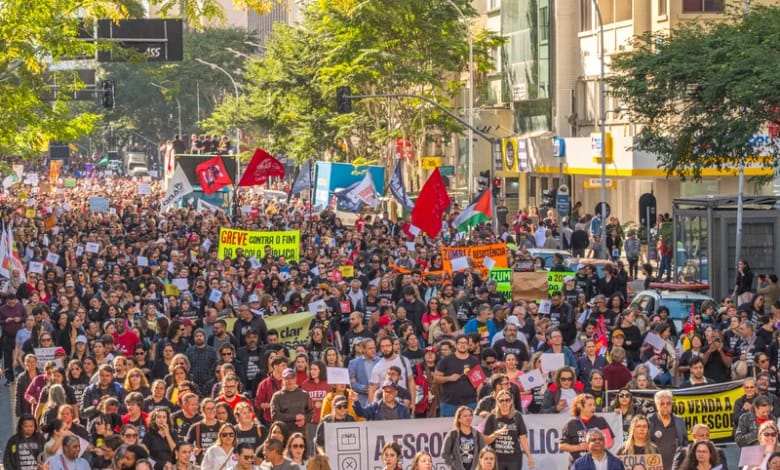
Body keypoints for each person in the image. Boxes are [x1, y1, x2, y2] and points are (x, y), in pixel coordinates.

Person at [482, 389, 534, 470]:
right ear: (497, 402)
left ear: (511, 402)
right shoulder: (492, 417)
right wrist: (496, 434)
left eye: (507, 400)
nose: (504, 403)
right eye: (501, 400)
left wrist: (529, 456)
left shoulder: (517, 416)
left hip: (514, 458)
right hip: (497, 458)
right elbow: (486, 440)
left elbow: (523, 438)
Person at [434, 334, 480, 416]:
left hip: (470, 403)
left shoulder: (473, 361)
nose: (463, 345)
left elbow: (479, 383)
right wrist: (449, 378)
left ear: (468, 346)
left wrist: (478, 397)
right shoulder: (446, 360)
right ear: (455, 345)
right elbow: (436, 378)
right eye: (460, 343)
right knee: (446, 425)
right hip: (449, 403)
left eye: (465, 343)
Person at [560, 393, 614, 464]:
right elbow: (562, 446)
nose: (593, 407)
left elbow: (610, 442)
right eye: (590, 405)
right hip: (578, 464)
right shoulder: (570, 424)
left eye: (594, 405)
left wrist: (598, 447)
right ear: (580, 406)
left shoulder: (601, 421)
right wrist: (579, 447)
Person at [648, 389, 689, 469]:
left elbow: (685, 445)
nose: (665, 406)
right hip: (654, 466)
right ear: (656, 405)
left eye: (668, 403)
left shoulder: (679, 421)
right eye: (662, 403)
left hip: (676, 467)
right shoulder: (649, 421)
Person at [270, 368, 314, 436]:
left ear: (296, 379)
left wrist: (305, 420)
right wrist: (294, 417)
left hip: (301, 434)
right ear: (282, 379)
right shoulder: (277, 396)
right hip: (283, 435)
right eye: (287, 378)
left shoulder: (304, 395)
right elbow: (275, 416)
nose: (289, 381)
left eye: (292, 378)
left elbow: (311, 413)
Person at [442, 405, 486, 470]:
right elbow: (445, 454)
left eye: (470, 415)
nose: (468, 418)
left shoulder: (478, 435)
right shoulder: (452, 434)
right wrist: (453, 466)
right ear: (459, 419)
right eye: (465, 416)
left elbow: (484, 453)